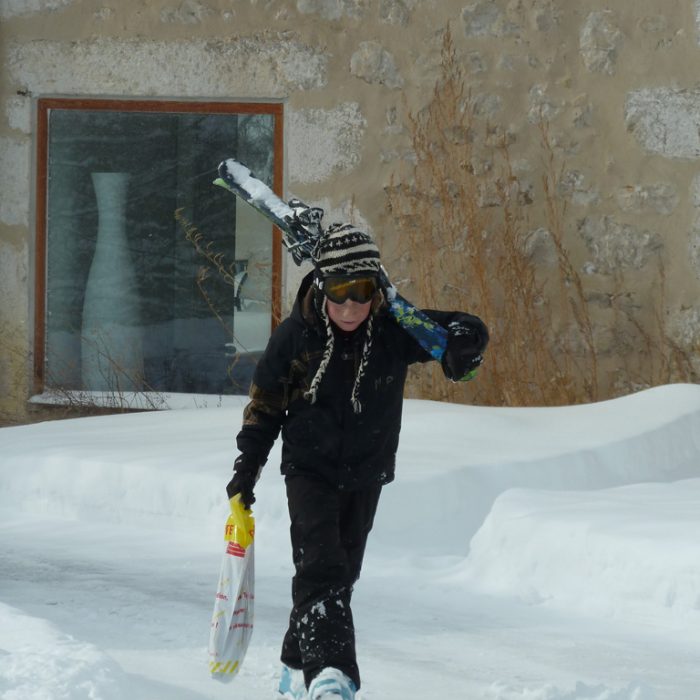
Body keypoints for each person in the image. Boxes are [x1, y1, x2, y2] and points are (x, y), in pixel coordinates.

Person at [226, 223, 488, 700]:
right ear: (322, 287)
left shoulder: (395, 331)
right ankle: (331, 677)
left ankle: (293, 663)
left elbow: (463, 328)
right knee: (321, 567)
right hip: (308, 469)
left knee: (340, 573)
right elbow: (265, 407)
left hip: (367, 471)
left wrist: (466, 343)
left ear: (376, 292)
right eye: (339, 294)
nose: (350, 308)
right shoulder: (296, 337)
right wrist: (247, 471)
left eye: (361, 294)